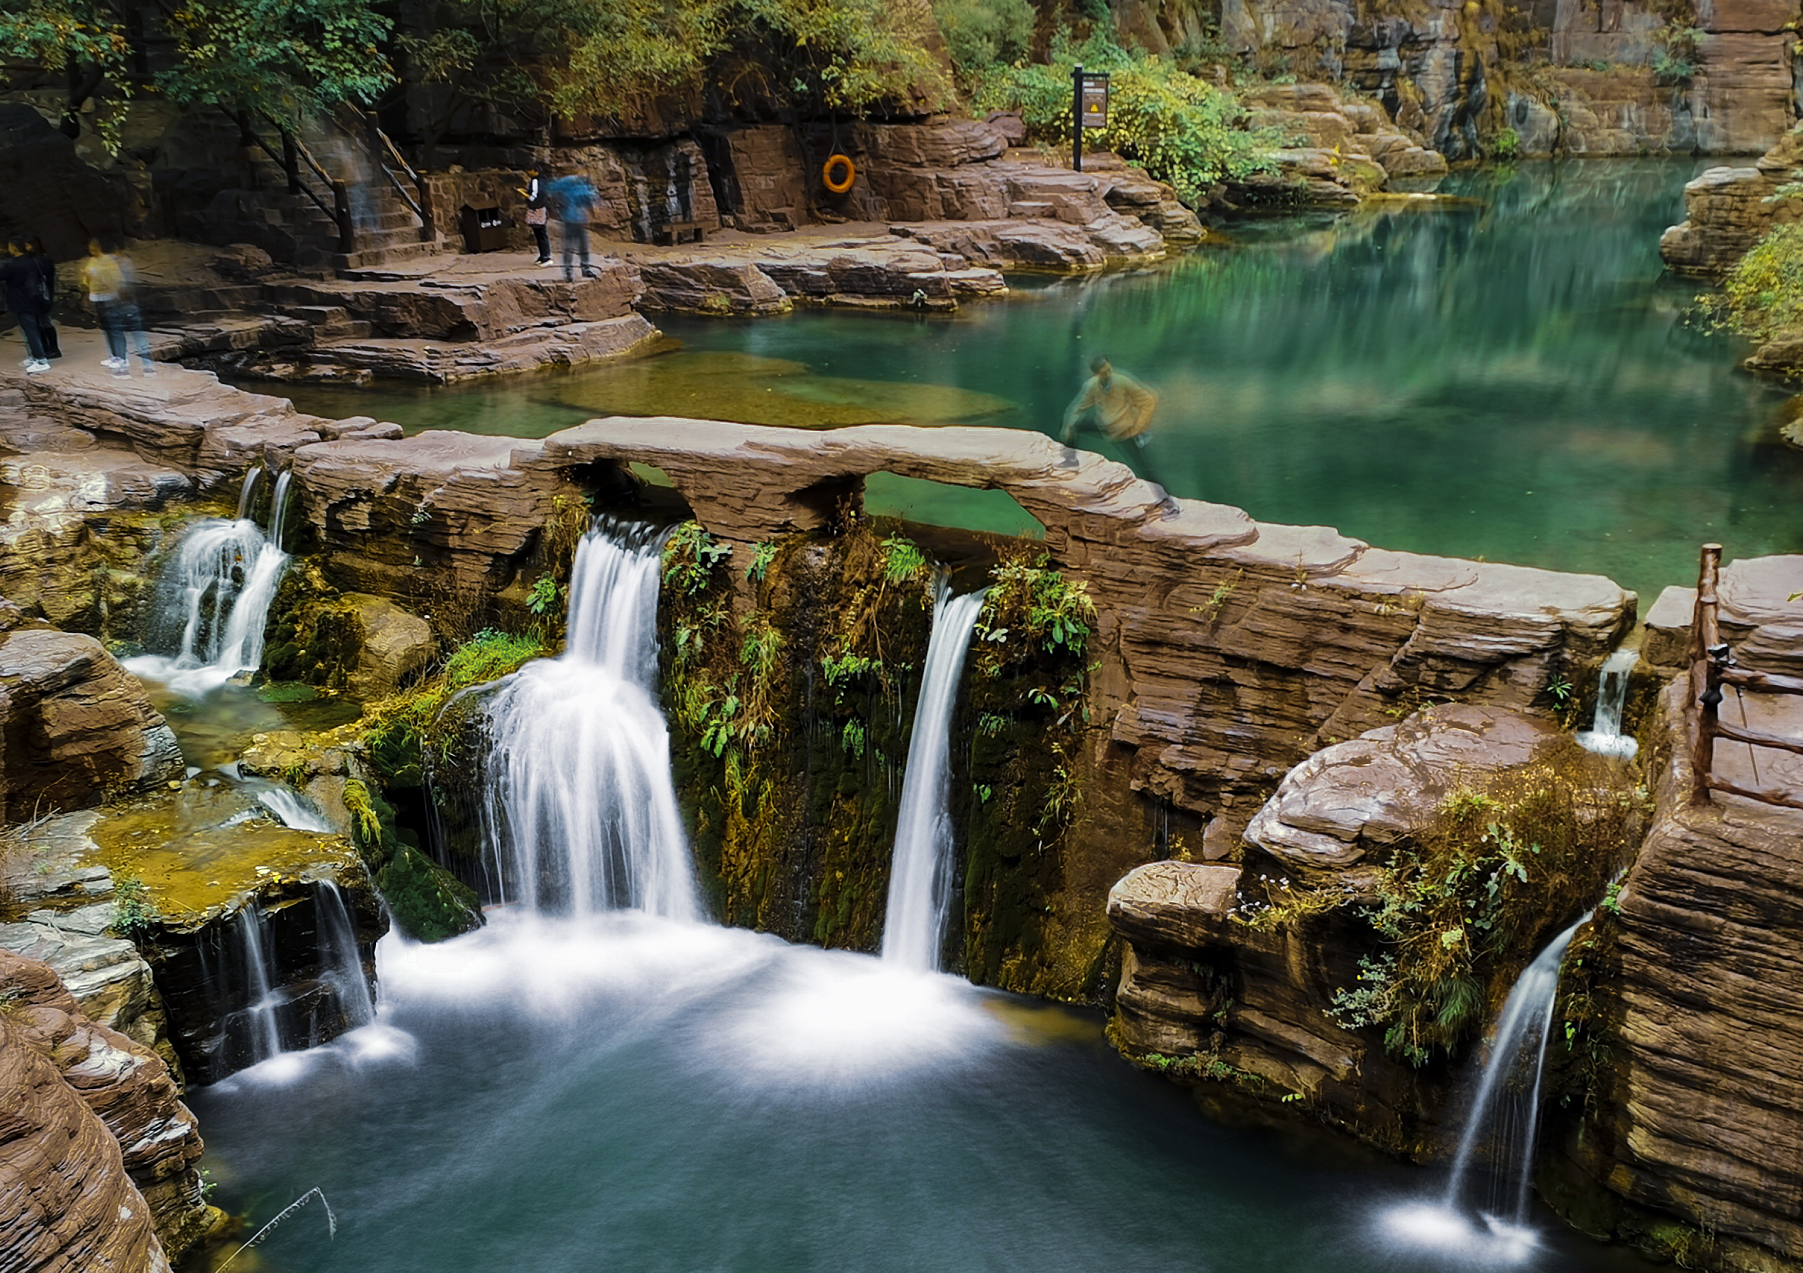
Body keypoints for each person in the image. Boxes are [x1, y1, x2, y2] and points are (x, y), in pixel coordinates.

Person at [81, 239, 154, 377]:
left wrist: (97, 276)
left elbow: (117, 283)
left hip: (117, 302)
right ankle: (143, 366)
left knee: (121, 333)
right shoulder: (110, 262)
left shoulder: (113, 263)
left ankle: (128, 367)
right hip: (117, 302)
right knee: (127, 333)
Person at [2, 239, 52, 372]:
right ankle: (36, 355)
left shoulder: (12, 265)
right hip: (36, 298)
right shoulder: (35, 261)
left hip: (21, 301)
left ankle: (41, 360)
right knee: (36, 328)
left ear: (14, 248)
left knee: (30, 330)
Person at [545, 171, 600, 281]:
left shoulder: (583, 185)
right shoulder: (569, 183)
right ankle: (570, 272)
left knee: (582, 246)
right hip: (570, 220)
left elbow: (590, 198)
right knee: (570, 247)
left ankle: (583, 269)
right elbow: (551, 188)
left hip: (580, 220)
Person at [25, 237, 60, 359]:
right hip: (43, 294)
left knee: (44, 322)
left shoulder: (39, 260)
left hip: (41, 295)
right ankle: (49, 348)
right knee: (43, 322)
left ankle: (52, 348)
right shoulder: (43, 259)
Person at [520, 167, 551, 266]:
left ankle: (546, 257)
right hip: (540, 208)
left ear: (534, 170)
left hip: (537, 209)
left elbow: (533, 197)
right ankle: (542, 256)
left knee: (541, 234)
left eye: (529, 170)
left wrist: (523, 193)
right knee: (539, 233)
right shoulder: (542, 180)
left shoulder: (536, 181)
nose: (527, 172)